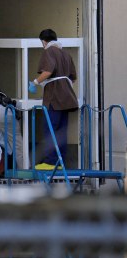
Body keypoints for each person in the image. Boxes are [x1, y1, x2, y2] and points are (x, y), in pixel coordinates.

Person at [29, 29, 78, 170]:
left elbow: (48, 71)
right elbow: (73, 77)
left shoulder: (49, 51)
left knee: (49, 129)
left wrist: (36, 82)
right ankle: (60, 162)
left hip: (54, 98)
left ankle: (50, 162)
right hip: (67, 98)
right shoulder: (66, 54)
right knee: (62, 131)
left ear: (44, 41)